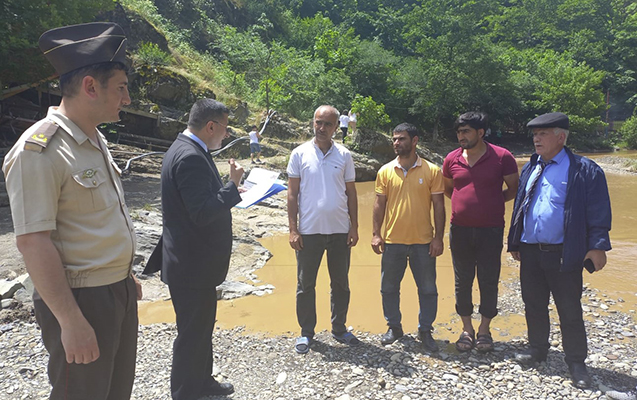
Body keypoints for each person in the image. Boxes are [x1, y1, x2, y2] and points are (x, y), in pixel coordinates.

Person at [2, 22, 141, 399]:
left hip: (116, 291)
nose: (127, 99)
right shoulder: (39, 150)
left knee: (116, 392)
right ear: (90, 87)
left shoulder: (93, 138)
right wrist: (70, 320)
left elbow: (96, 220)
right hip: (81, 299)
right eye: (121, 88)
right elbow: (33, 242)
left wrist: (123, 273)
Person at [145, 99, 244, 399]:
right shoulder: (189, 156)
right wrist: (232, 186)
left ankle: (202, 382)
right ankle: (185, 392)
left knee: (200, 329)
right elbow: (202, 212)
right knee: (191, 334)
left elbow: (196, 200)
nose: (227, 134)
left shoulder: (186, 148)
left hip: (191, 262)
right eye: (225, 128)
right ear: (210, 126)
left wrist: (228, 190)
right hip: (191, 265)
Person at [508, 112, 612, 389]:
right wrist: (515, 242)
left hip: (564, 253)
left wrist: (597, 247)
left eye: (542, 134)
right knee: (533, 304)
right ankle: (537, 350)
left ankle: (576, 363)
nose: (536, 139)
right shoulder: (531, 167)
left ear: (561, 137)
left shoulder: (583, 169)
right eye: (534, 134)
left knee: (569, 309)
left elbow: (598, 211)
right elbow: (521, 207)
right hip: (531, 251)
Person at [442, 112, 519, 353]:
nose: (461, 136)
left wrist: (492, 202)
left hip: (491, 230)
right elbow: (448, 189)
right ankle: (467, 329)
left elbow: (513, 188)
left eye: (466, 131)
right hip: (460, 229)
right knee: (462, 280)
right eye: (459, 132)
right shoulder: (451, 159)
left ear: (481, 132)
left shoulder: (502, 157)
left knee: (488, 279)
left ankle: (485, 329)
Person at [287, 105, 359, 354]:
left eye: (328, 124)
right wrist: (293, 229)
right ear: (313, 122)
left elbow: (351, 193)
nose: (322, 128)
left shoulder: (344, 155)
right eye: (318, 122)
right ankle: (306, 332)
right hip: (308, 232)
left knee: (340, 283)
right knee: (305, 284)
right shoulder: (299, 154)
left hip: (340, 231)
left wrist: (354, 227)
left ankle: (339, 328)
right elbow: (292, 194)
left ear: (337, 127)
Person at [371, 123, 445, 352]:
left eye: (401, 139)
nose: (396, 143)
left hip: (423, 242)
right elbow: (379, 204)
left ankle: (425, 330)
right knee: (388, 288)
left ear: (414, 141)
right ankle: (394, 327)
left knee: (428, 289)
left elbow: (439, 206)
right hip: (393, 242)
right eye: (394, 139)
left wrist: (438, 238)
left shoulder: (432, 170)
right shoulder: (385, 171)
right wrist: (376, 234)